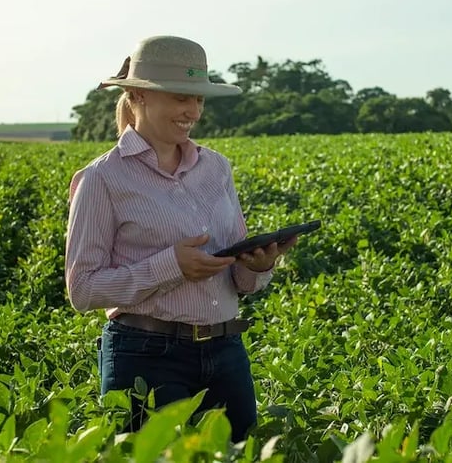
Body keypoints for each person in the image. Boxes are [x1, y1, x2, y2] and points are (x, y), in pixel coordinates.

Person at [64, 35, 297, 442]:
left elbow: (237, 275)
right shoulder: (102, 179)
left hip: (226, 352)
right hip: (146, 355)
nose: (193, 111)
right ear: (138, 96)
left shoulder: (216, 168)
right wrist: (171, 265)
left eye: (199, 100)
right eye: (180, 98)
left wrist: (258, 267)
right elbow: (82, 290)